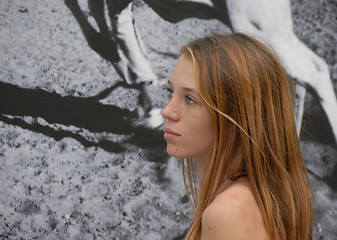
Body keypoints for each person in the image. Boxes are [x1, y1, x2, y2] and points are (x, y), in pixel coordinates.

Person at [161, 33, 314, 240]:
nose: (167, 111)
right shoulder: (258, 194)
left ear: (236, 116)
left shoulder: (227, 214)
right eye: (170, 92)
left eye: (190, 99)